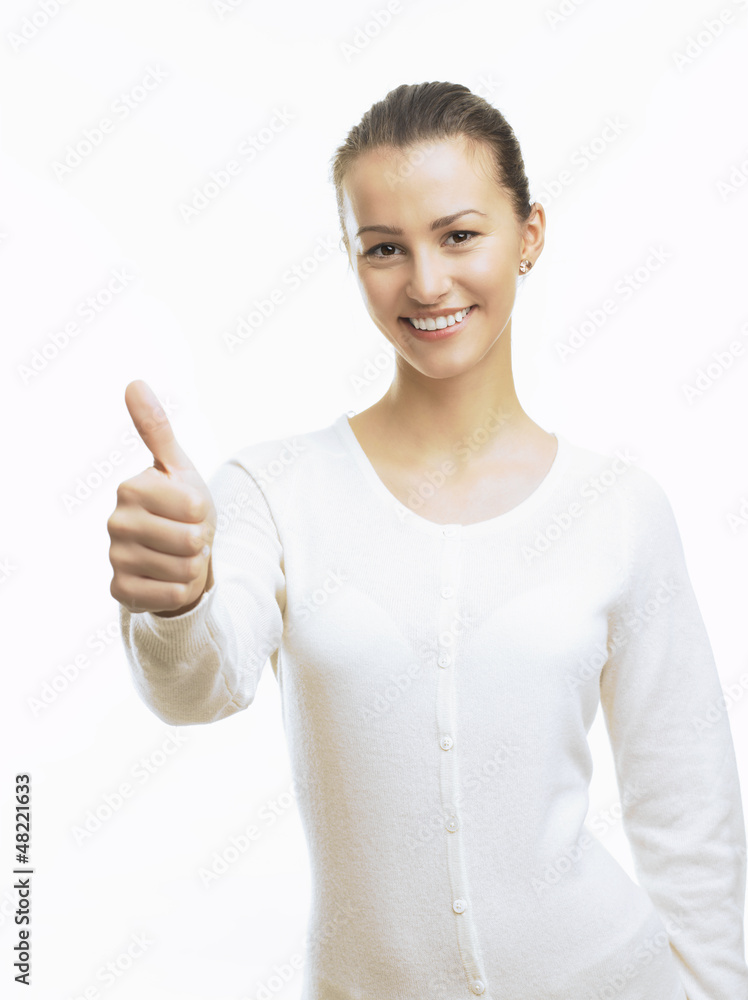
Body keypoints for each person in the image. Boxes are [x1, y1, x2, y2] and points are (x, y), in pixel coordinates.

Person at [108, 81, 748, 1000]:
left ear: (529, 234)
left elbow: (689, 808)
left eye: (459, 235)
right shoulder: (274, 491)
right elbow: (202, 686)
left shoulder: (619, 512)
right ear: (352, 259)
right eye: (384, 247)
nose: (426, 282)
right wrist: (173, 602)